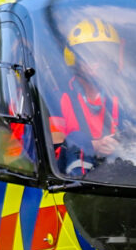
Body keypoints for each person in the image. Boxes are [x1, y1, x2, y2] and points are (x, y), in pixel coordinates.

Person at [50, 18, 123, 174]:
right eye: (89, 55)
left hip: (116, 172)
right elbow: (53, 148)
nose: (98, 63)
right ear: (74, 59)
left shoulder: (122, 96)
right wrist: (94, 146)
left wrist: (118, 145)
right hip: (69, 176)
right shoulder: (59, 96)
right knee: (77, 139)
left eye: (103, 55)